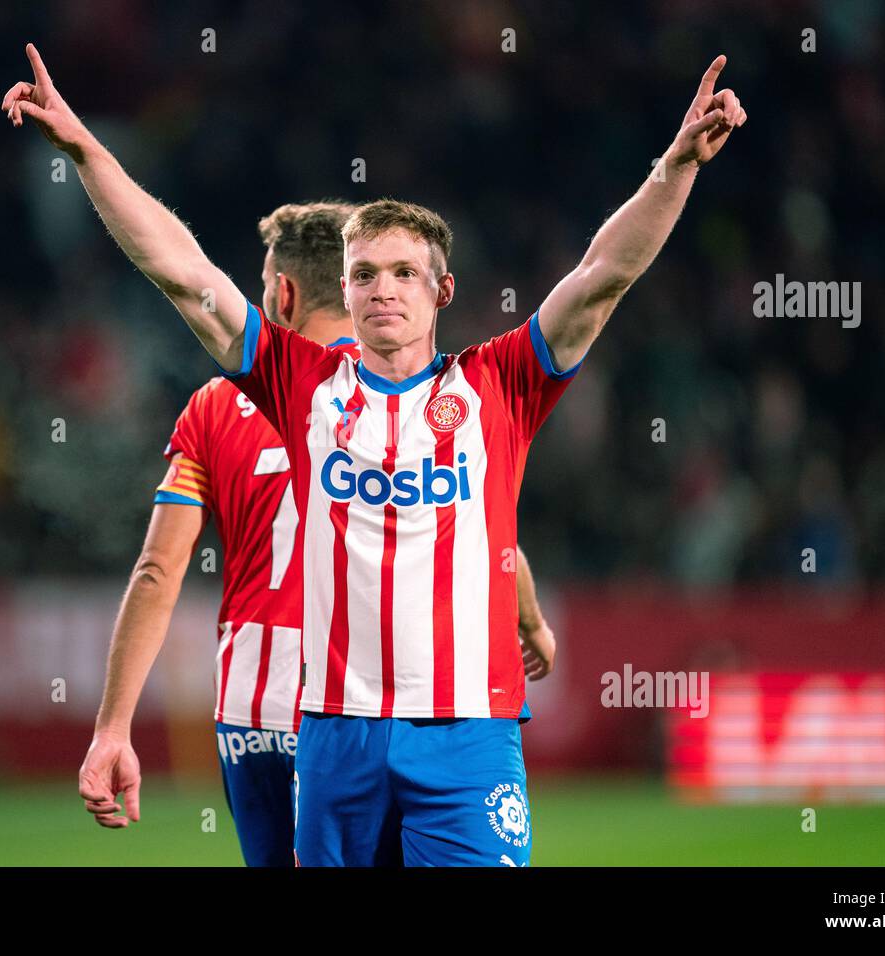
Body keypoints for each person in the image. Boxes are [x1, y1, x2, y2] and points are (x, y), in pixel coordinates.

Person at [3, 43, 742, 865]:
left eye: (403, 271)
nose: (384, 288)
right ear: (344, 292)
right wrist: (89, 152)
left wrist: (675, 166)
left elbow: (603, 274)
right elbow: (183, 273)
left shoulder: (500, 385)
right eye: (365, 273)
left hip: (466, 735)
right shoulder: (299, 383)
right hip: (333, 737)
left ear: (442, 289)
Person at [70, 200, 556, 865]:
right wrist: (526, 617)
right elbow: (474, 525)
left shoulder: (221, 403)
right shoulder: (394, 380)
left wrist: (114, 724)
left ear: (284, 290)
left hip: (252, 707)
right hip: (352, 698)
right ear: (352, 283)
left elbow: (157, 569)